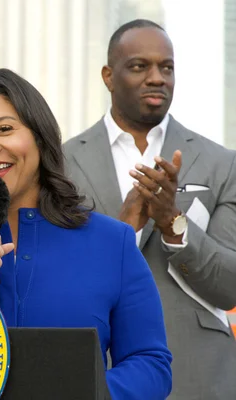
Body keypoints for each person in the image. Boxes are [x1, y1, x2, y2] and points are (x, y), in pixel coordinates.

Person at [0, 68, 172, 399]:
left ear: (39, 137)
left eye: (4, 129)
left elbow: (150, 364)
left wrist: (81, 392)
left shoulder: (111, 242)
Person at [64, 19, 236, 400]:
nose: (157, 77)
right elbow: (55, 275)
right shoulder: (61, 163)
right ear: (109, 76)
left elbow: (230, 287)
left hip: (198, 374)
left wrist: (174, 223)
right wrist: (122, 228)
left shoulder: (223, 164)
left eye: (167, 67)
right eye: (140, 66)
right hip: (99, 372)